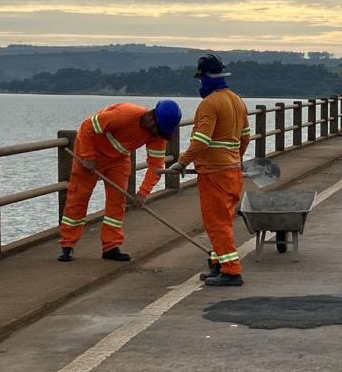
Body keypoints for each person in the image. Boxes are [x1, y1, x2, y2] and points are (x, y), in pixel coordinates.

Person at [58, 99, 182, 262]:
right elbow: (88, 126)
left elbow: (156, 166)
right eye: (158, 130)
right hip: (90, 155)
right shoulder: (125, 114)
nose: (157, 135)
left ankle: (111, 246)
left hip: (118, 159)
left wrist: (143, 193)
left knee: (117, 203)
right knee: (78, 199)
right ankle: (68, 245)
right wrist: (88, 156)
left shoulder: (157, 135)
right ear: (152, 118)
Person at [169, 54, 251, 287]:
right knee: (223, 220)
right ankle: (218, 263)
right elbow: (245, 137)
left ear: (205, 78)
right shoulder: (236, 100)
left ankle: (232, 270)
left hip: (215, 172)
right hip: (232, 170)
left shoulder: (210, 104)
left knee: (216, 222)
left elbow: (201, 140)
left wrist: (182, 162)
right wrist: (236, 158)